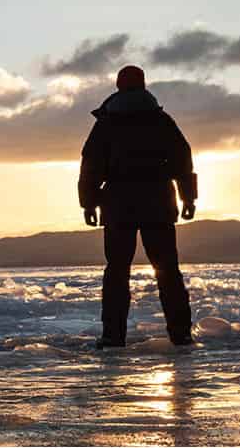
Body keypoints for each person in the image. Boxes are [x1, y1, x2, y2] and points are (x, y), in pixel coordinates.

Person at [79, 65, 196, 348]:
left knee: (117, 272)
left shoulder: (106, 123)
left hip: (118, 205)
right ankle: (180, 334)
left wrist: (89, 203)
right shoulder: (161, 120)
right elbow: (182, 158)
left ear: (118, 86)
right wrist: (188, 198)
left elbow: (91, 165)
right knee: (168, 270)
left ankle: (112, 336)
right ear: (143, 86)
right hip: (158, 202)